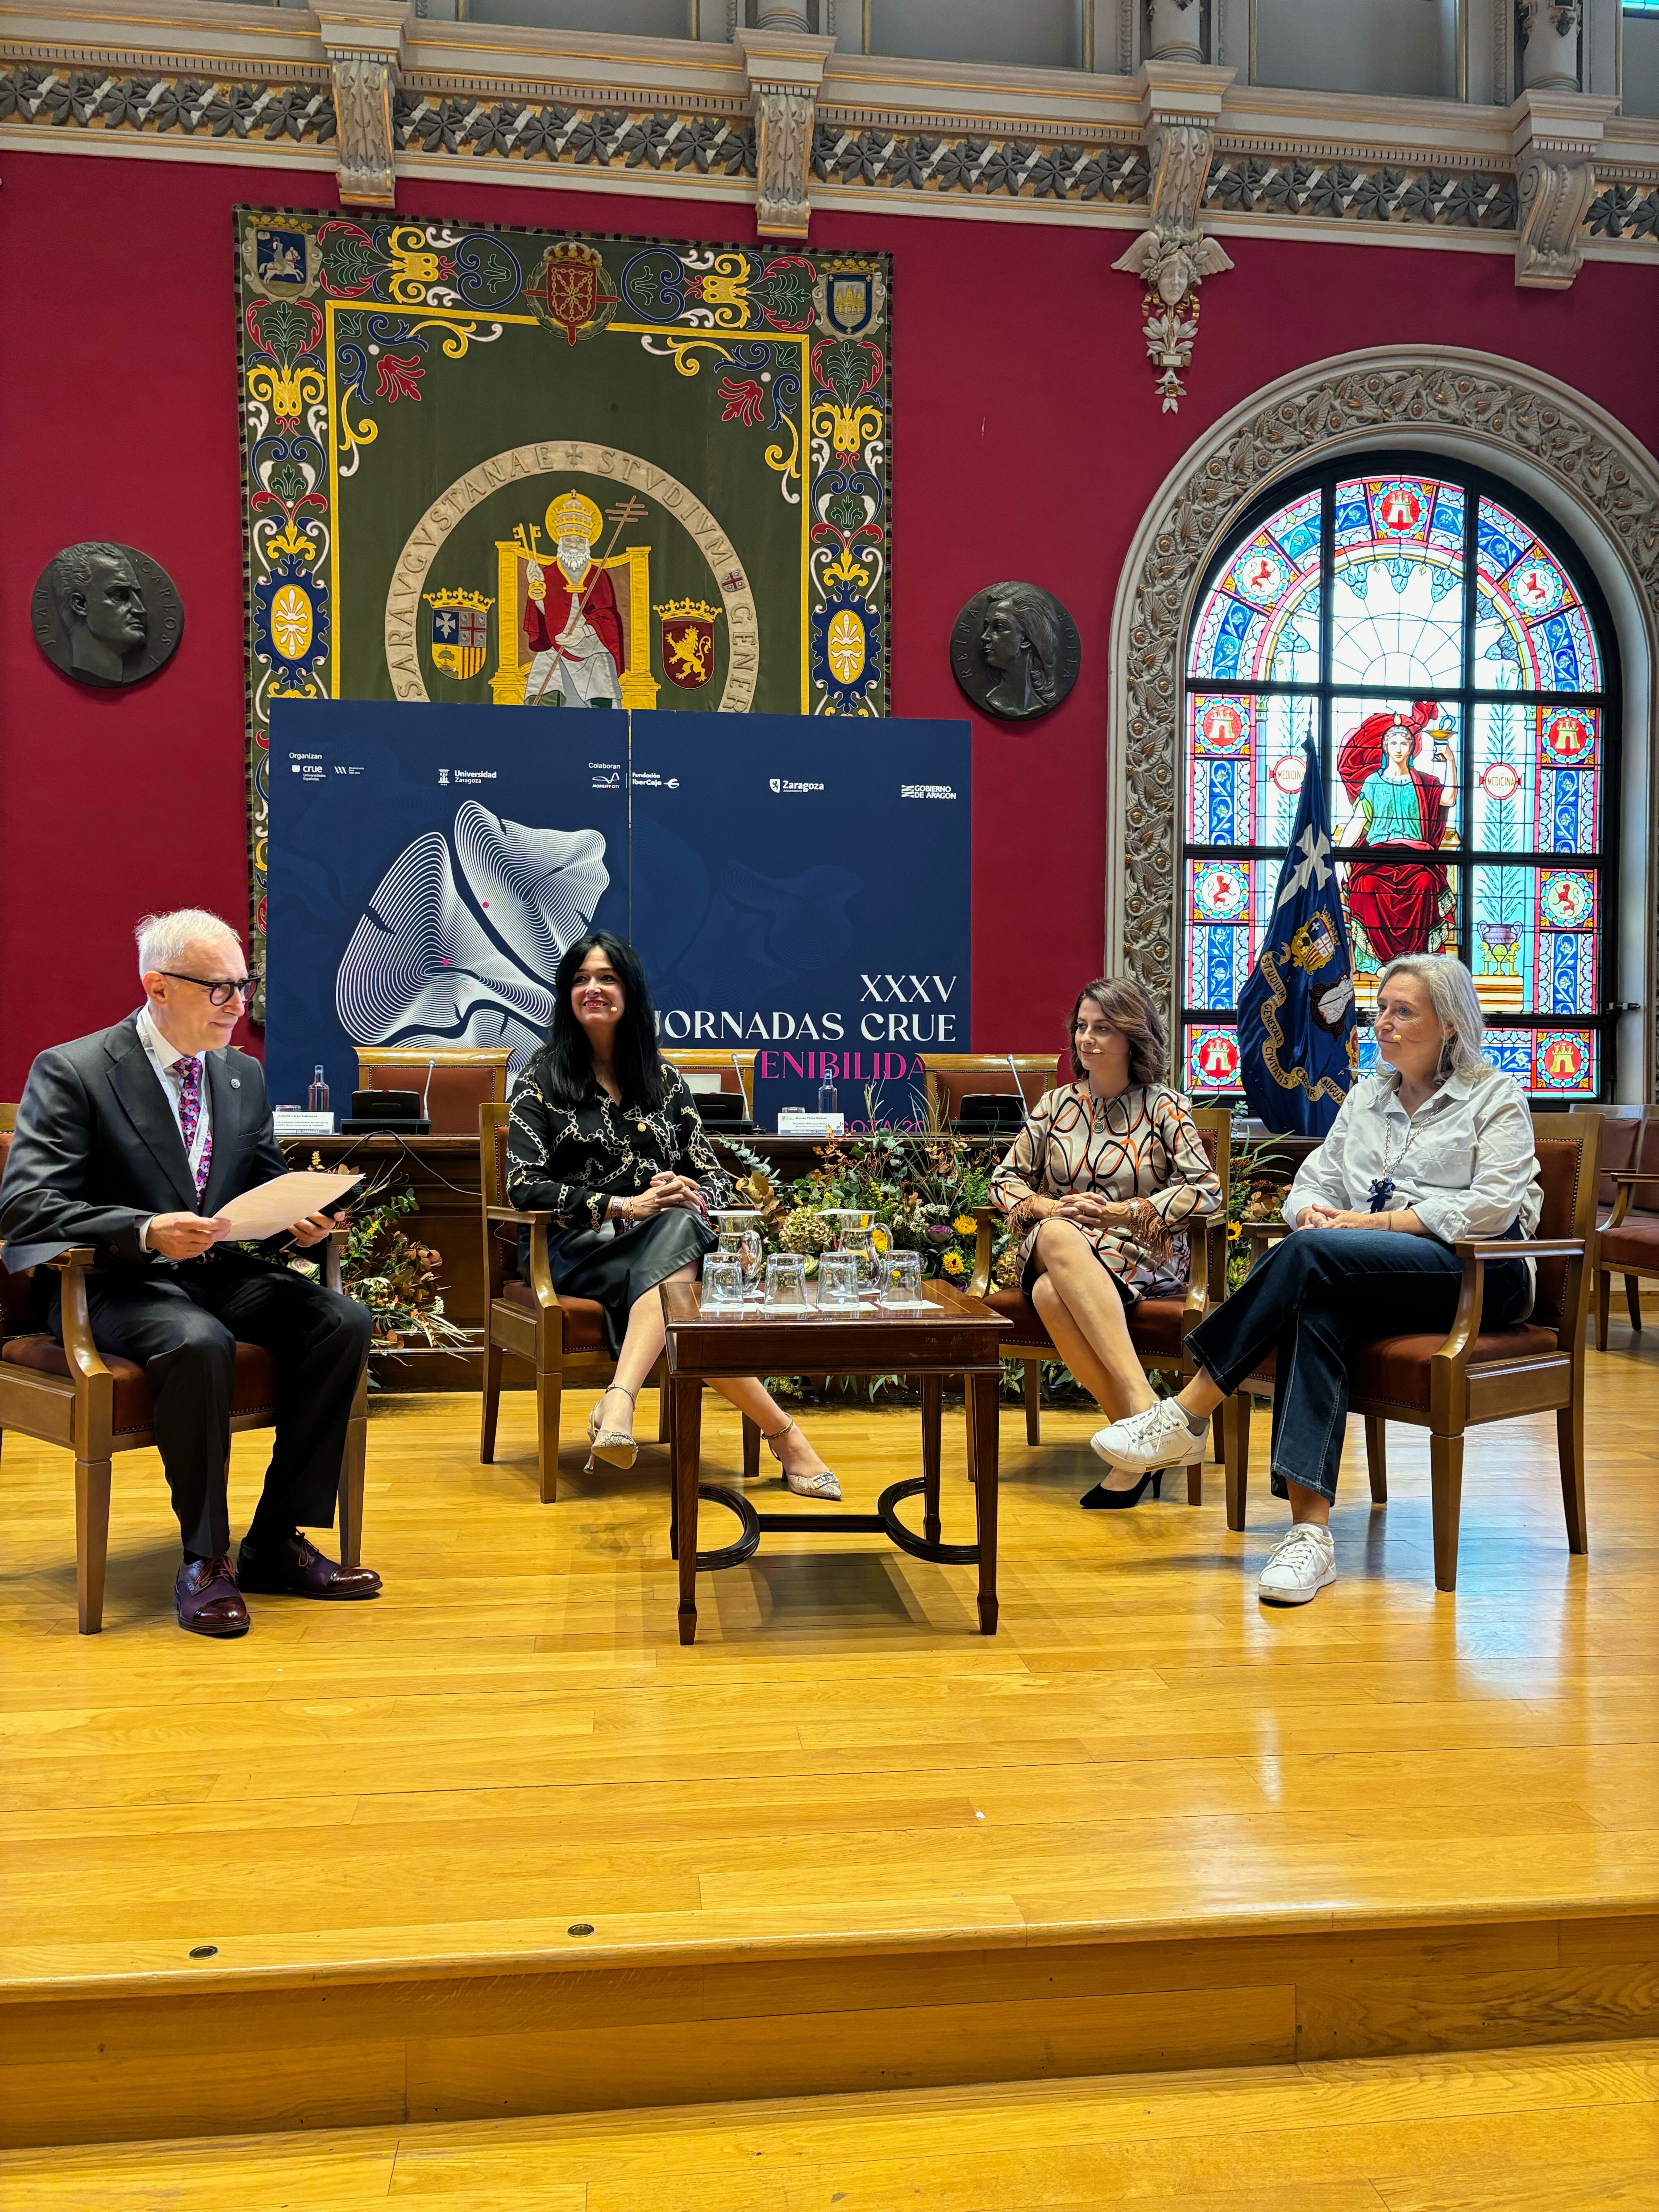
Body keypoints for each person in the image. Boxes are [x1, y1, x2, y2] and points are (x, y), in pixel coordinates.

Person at [1090, 955, 1540, 1606]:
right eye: (1378, 1008)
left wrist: (1377, 1222)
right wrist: (1310, 1213)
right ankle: (1310, 1536)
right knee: (1313, 1307)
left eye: (1400, 1011)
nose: (1380, 1022)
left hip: (1477, 1274)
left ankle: (1187, 1412)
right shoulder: (1366, 1095)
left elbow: (1494, 1205)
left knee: (1308, 1259)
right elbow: (1312, 1183)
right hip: (1368, 1268)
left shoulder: (1493, 1094)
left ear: (1448, 1024)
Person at [0, 909, 380, 1637]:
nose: (239, 1005)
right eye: (219, 989)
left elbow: (258, 1178)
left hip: (214, 1269)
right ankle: (205, 1560)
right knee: (196, 1340)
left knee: (341, 1320)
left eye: (244, 985)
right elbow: (26, 1205)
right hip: (109, 1282)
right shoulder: (75, 1069)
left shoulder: (241, 1074)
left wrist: (302, 1212)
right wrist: (144, 1230)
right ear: (158, 986)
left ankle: (274, 1543)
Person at [505, 931, 841, 1496]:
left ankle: (620, 1402)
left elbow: (713, 1174)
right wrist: (622, 1204)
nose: (594, 989)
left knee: (680, 1237)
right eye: (582, 979)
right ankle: (786, 1439)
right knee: (683, 1277)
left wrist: (688, 1186)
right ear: (567, 995)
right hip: (578, 1250)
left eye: (607, 978)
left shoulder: (665, 1082)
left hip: (660, 1245)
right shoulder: (542, 1080)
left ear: (629, 992)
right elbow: (522, 1186)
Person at [989, 976, 1223, 1510]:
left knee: (1050, 1293)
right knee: (1055, 1234)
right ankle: (1150, 1419)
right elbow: (1004, 1181)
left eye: (1103, 1029)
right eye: (1082, 1027)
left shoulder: (1166, 1107)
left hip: (1139, 1251)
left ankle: (1135, 1448)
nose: (1086, 1039)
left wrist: (1122, 1212)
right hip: (1065, 1243)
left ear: (1132, 1038)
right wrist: (1050, 1205)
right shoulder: (1055, 1105)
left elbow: (1207, 1192)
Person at [1336, 701, 1457, 967]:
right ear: (1386, 748)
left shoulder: (1425, 782)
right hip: (1379, 858)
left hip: (1416, 859)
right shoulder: (1373, 783)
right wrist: (1339, 859)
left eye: (1405, 743)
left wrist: (1450, 760)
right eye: (1394, 744)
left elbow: (1448, 798)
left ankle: (1416, 961)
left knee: (1426, 884)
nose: (1400, 748)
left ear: (1412, 748)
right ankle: (1380, 963)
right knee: (1367, 886)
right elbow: (1358, 822)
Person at [521, 492, 625, 709]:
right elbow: (544, 619)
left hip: (591, 645)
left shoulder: (598, 575)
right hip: (556, 643)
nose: (574, 545)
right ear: (560, 542)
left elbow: (607, 616)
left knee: (601, 664)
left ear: (587, 543)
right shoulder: (548, 574)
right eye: (569, 540)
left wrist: (584, 632)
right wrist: (537, 595)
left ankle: (600, 719)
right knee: (543, 670)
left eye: (579, 540)